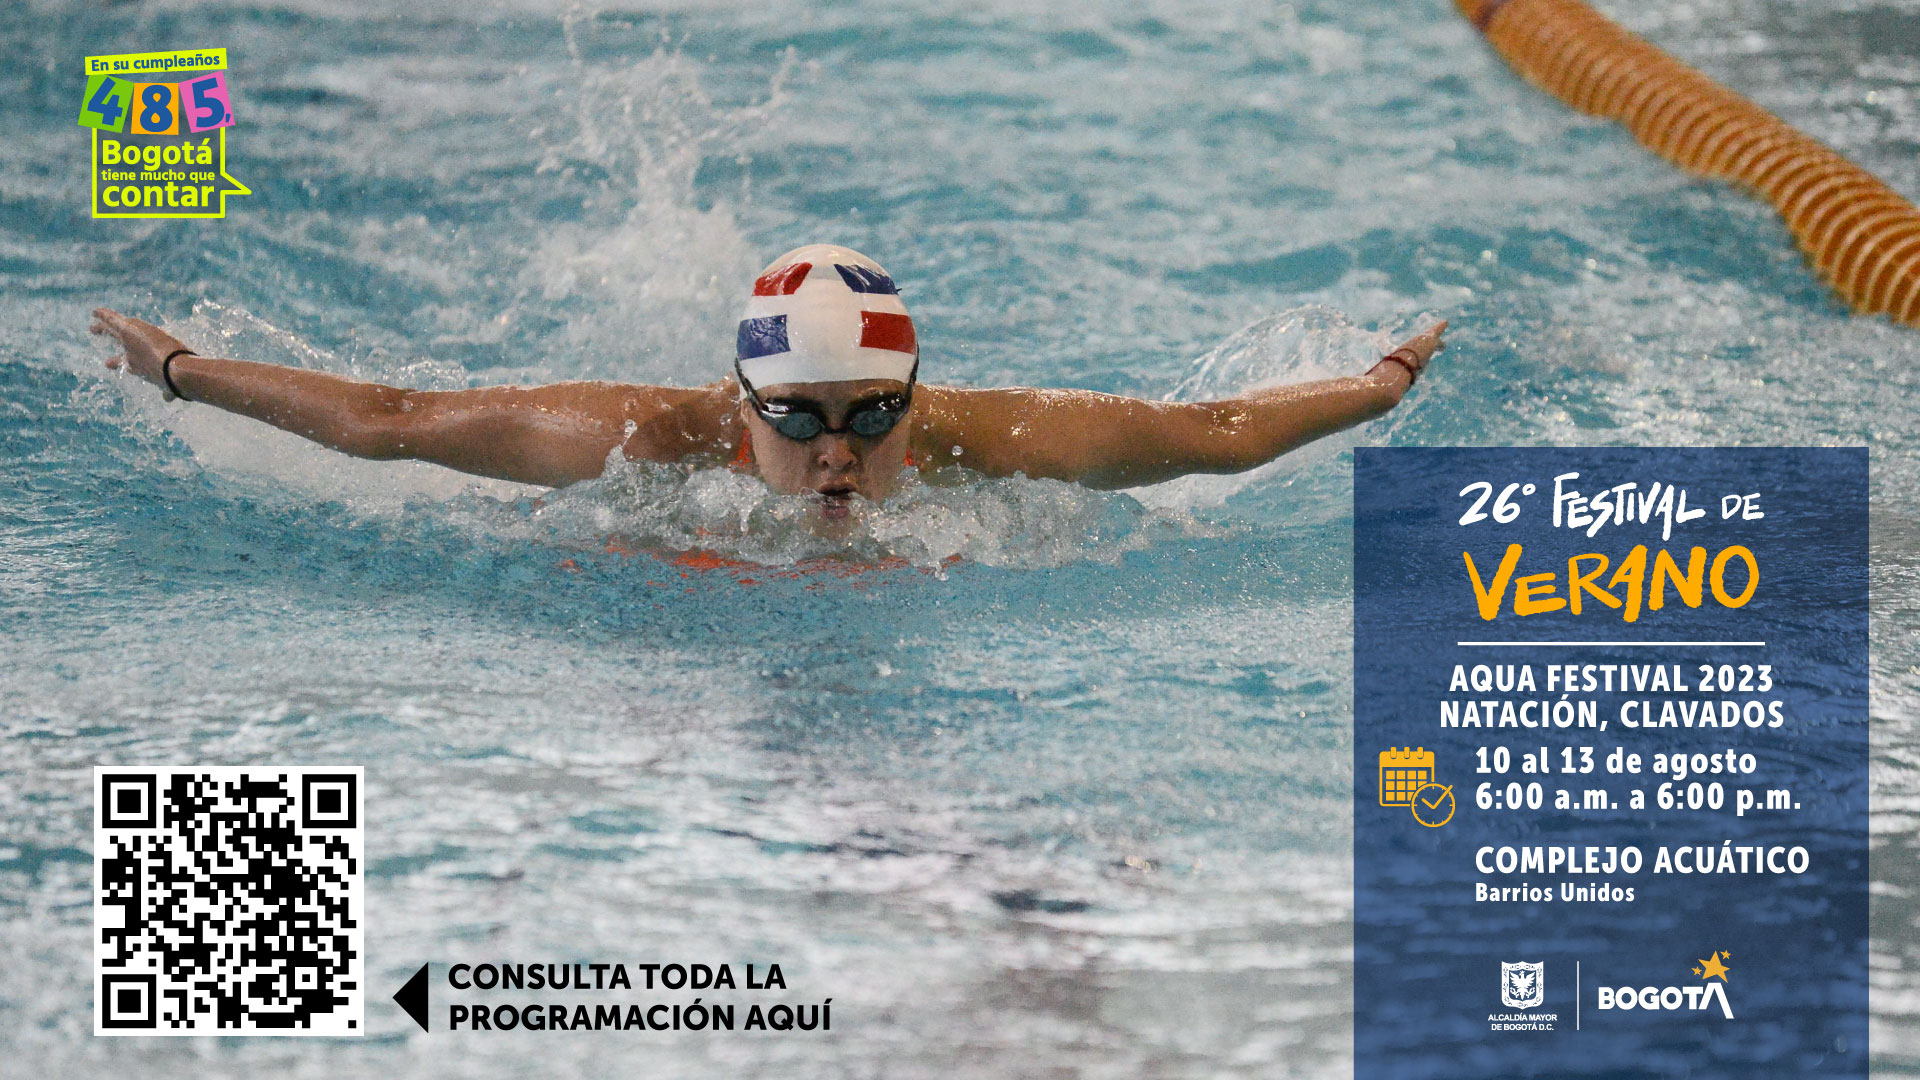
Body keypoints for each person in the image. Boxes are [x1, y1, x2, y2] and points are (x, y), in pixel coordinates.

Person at [91, 243, 1444, 521]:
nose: (837, 453)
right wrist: (186, 372)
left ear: (919, 398)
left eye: (872, 417)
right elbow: (390, 423)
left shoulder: (988, 443)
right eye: (796, 419)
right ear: (739, 403)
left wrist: (1380, 387)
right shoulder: (637, 443)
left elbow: (1214, 432)